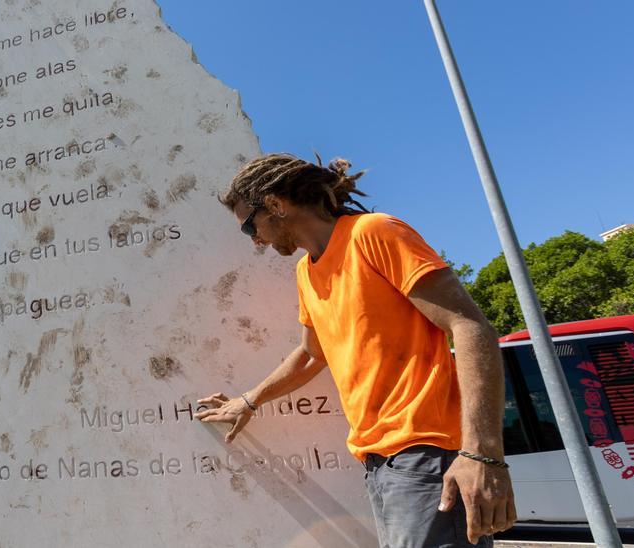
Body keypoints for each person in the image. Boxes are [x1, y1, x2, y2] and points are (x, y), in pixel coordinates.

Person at [197, 153, 515, 547]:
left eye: (250, 227)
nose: (256, 241)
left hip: (427, 456)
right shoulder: (305, 272)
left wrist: (483, 454)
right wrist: (248, 401)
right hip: (379, 466)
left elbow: (470, 327)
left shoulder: (374, 233)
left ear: (276, 204)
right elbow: (313, 354)